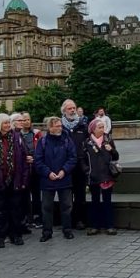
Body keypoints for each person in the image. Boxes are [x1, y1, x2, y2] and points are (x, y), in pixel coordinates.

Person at [0, 113, 30, 248]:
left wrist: (23, 180)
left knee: (15, 209)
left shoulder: (16, 138)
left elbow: (23, 160)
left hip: (14, 179)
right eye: (5, 123)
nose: (8, 126)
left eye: (8, 123)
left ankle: (16, 235)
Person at [34, 116, 78, 242]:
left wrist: (64, 170)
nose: (60, 128)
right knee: (46, 207)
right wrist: (48, 173)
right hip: (48, 180)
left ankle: (67, 230)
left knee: (67, 206)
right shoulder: (43, 141)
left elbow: (72, 157)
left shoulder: (67, 140)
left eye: (60, 125)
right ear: (50, 128)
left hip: (64, 178)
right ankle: (47, 231)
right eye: (57, 126)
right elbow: (38, 160)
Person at [83, 118, 120, 236]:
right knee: (95, 201)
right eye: (99, 127)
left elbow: (116, 157)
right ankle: (95, 226)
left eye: (103, 127)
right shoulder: (87, 142)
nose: (102, 129)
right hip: (93, 176)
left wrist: (112, 150)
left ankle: (110, 226)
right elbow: (82, 159)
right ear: (93, 129)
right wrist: (87, 171)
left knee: (107, 201)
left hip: (106, 175)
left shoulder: (108, 140)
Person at [61, 99, 90, 230]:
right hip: (65, 166)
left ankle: (80, 220)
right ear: (64, 111)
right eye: (69, 108)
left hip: (80, 165)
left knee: (80, 195)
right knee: (66, 196)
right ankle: (67, 221)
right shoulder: (59, 127)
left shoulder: (83, 126)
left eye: (74, 108)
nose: (72, 110)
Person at [18, 112, 40, 232]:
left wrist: (34, 158)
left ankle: (37, 216)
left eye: (28, 119)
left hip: (35, 167)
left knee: (36, 194)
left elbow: (41, 148)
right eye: (23, 120)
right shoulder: (17, 135)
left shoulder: (36, 133)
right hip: (23, 168)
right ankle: (27, 217)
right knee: (25, 195)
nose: (26, 122)